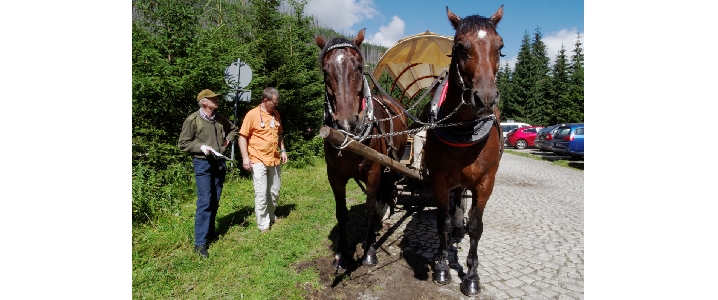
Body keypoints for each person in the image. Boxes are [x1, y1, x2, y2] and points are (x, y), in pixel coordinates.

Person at [178, 89, 238, 258]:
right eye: (213, 99)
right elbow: (183, 144)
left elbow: (234, 129)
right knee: (205, 201)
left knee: (215, 199)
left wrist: (227, 141)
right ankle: (200, 243)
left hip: (219, 163)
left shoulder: (219, 118)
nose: (217, 101)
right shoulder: (193, 120)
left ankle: (210, 233)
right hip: (203, 164)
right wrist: (201, 148)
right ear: (203, 102)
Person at [238, 87, 288, 233]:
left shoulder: (276, 114)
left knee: (274, 191)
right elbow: (242, 137)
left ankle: (271, 214)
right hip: (257, 158)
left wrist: (283, 150)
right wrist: (245, 157)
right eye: (274, 102)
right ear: (265, 100)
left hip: (274, 158)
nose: (276, 105)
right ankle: (263, 225)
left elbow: (279, 135)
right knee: (261, 192)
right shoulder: (252, 115)